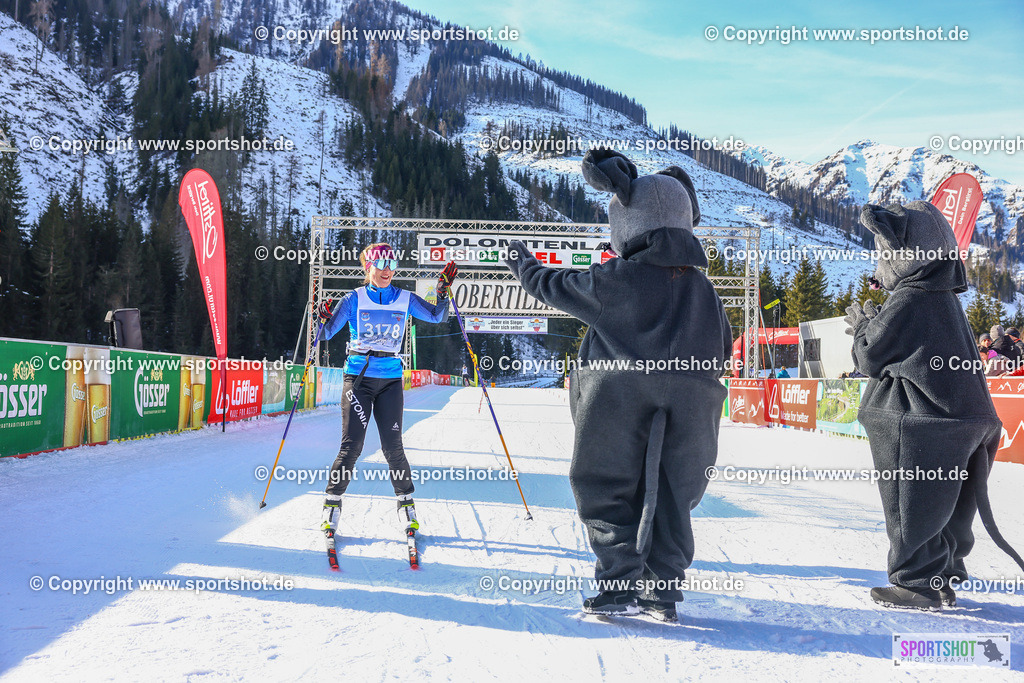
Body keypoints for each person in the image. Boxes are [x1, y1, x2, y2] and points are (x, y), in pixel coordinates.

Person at [505, 148, 731, 622]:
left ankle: (616, 583)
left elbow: (552, 285)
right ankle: (661, 589)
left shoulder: (615, 278)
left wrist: (522, 263)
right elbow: (723, 347)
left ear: (628, 223)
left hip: (617, 396)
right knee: (674, 492)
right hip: (694, 401)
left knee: (606, 482)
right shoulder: (704, 289)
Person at [845, 200, 1023, 611]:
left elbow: (869, 357)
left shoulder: (911, 297)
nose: (878, 269)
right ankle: (942, 574)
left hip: (923, 419)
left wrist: (863, 329)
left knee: (912, 501)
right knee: (950, 503)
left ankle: (917, 583)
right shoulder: (945, 299)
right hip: (970, 418)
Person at [319, 244, 457, 542]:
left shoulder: (405, 298)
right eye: (381, 263)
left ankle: (406, 505)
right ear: (367, 267)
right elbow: (326, 333)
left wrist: (442, 292)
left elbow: (437, 316)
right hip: (358, 379)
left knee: (393, 448)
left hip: (391, 380)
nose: (387, 269)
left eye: (392, 263)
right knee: (351, 447)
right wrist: (323, 316)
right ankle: (332, 504)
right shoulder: (353, 299)